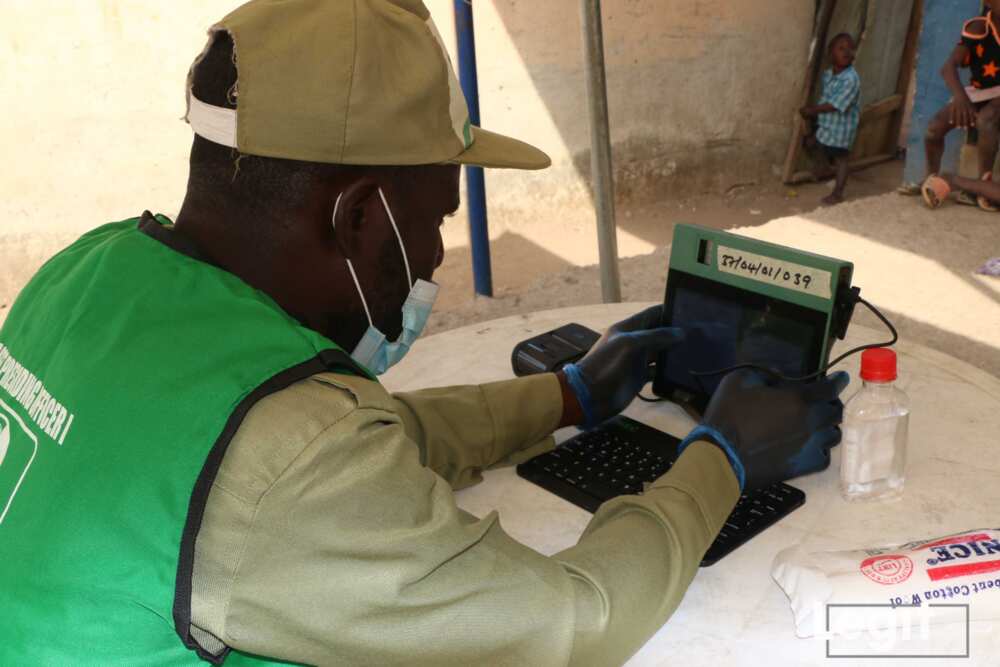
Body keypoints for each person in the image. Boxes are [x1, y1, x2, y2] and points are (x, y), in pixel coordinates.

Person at [0, 2, 848, 665]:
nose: (438, 250)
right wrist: (723, 459)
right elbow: (574, 624)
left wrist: (566, 393)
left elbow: (337, 446)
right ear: (360, 215)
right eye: (437, 215)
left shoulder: (90, 271)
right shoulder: (284, 454)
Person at [914, 2, 1000, 211]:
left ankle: (982, 185)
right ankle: (931, 178)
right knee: (934, 128)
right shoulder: (979, 28)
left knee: (986, 120)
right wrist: (960, 99)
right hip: (979, 92)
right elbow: (948, 67)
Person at [800, 33, 862, 207]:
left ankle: (838, 193)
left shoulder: (851, 79)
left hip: (842, 128)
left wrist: (812, 110)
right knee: (812, 143)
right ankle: (824, 168)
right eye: (841, 48)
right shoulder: (828, 74)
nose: (847, 52)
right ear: (830, 53)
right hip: (827, 124)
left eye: (850, 48)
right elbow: (825, 96)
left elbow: (835, 104)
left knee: (842, 159)